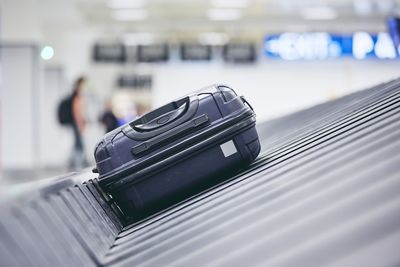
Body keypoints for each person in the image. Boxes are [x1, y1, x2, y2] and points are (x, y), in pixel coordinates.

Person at [69, 76, 88, 170]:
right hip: (77, 124)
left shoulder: (79, 95)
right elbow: (76, 112)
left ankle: (73, 164)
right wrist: (79, 124)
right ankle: (77, 165)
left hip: (78, 124)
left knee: (77, 144)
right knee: (79, 145)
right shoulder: (76, 96)